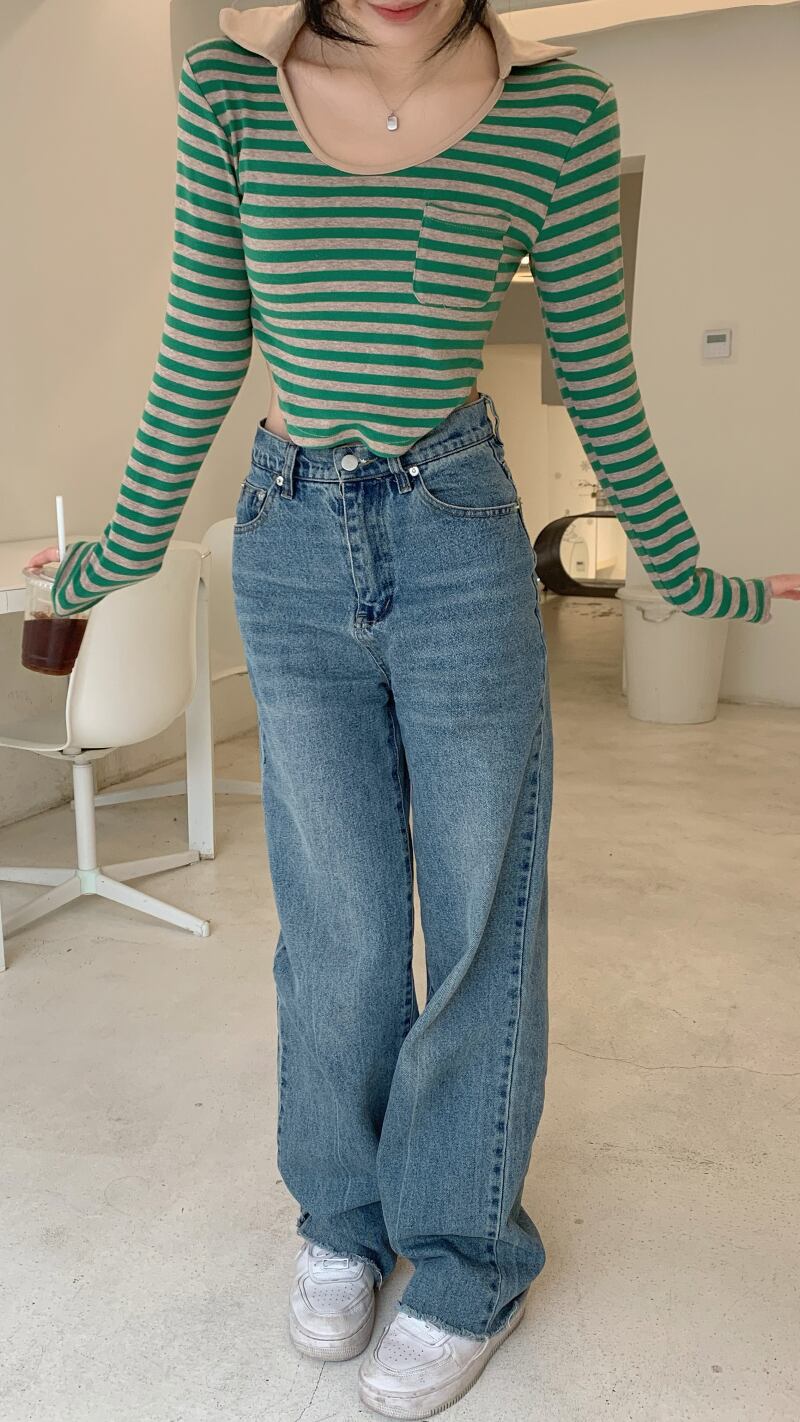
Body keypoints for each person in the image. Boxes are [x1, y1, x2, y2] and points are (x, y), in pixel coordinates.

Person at [29, 1, 799, 1415]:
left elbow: (602, 369)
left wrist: (690, 574)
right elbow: (201, 344)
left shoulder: (560, 112)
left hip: (459, 533)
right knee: (337, 920)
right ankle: (341, 1218)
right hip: (286, 535)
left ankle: (465, 1256)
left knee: (481, 909)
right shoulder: (230, 92)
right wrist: (111, 556)